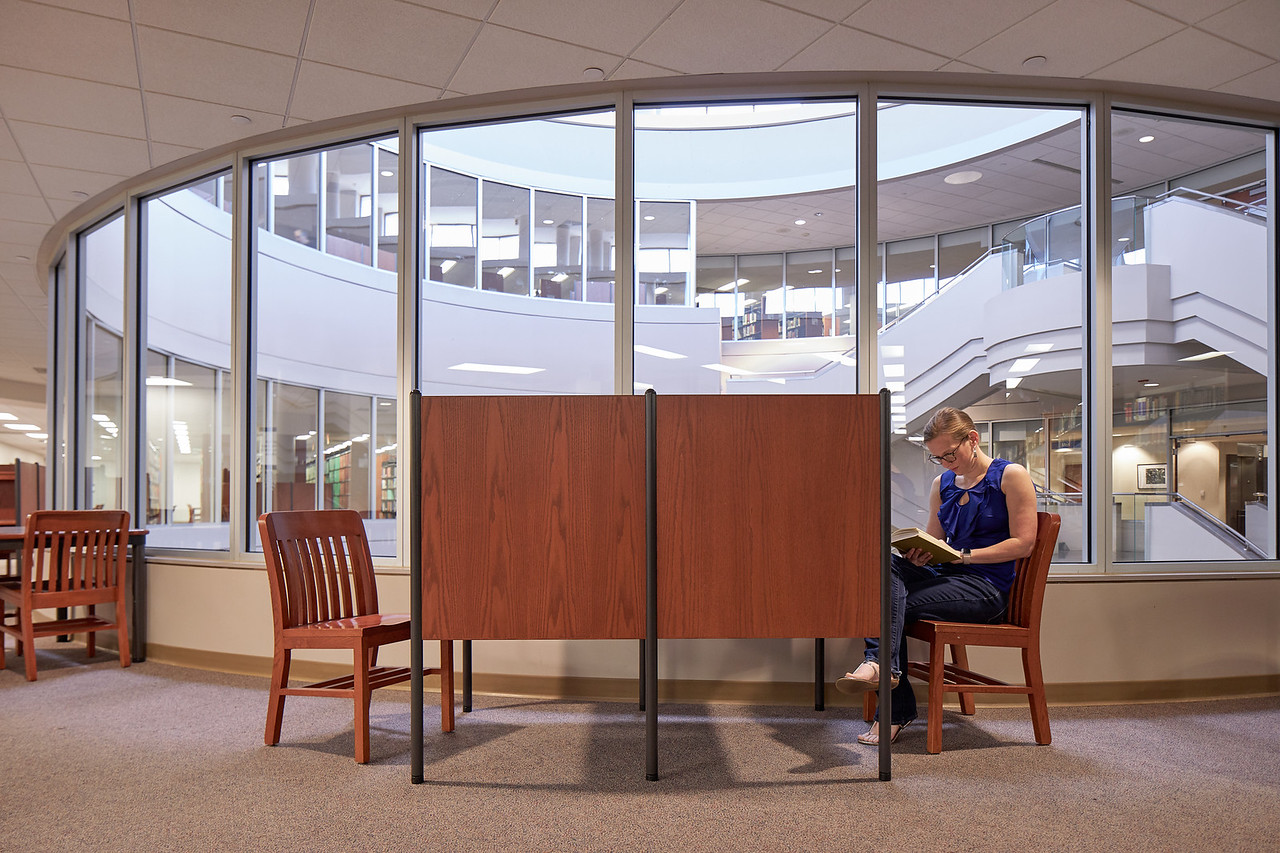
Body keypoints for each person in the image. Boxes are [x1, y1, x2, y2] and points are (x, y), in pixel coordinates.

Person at [836, 406, 1038, 745]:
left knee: (888, 605)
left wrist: (964, 556)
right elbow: (935, 541)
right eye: (937, 458)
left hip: (985, 589)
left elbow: (1024, 543)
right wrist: (919, 552)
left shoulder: (1009, 475)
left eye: (949, 454)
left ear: (972, 439)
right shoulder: (942, 483)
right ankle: (885, 674)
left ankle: (888, 697)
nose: (945, 463)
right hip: (946, 574)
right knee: (880, 566)